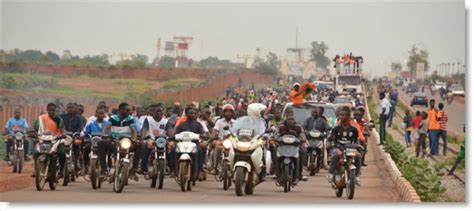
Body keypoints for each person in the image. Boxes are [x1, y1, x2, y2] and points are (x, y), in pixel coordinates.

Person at [103, 102, 141, 179]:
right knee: (101, 143)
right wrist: (103, 134)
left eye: (130, 110)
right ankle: (103, 170)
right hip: (114, 141)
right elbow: (106, 128)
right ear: (120, 110)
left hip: (126, 141)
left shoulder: (130, 119)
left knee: (141, 145)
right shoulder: (113, 118)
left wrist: (134, 139)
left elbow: (133, 130)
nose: (129, 112)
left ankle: (133, 170)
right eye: (127, 110)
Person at [173, 106, 210, 181]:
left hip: (194, 144)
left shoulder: (198, 125)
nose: (192, 114)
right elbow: (175, 133)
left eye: (194, 113)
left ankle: (198, 170)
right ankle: (175, 170)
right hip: (182, 144)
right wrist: (172, 136)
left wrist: (204, 136)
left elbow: (203, 133)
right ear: (186, 114)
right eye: (190, 113)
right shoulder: (182, 124)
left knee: (199, 151)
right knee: (174, 151)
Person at [327, 106, 362, 184]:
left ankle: (356, 176)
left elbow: (356, 141)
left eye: (343, 115)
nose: (341, 117)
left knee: (358, 156)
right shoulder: (336, 129)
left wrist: (358, 146)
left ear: (349, 116)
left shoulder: (354, 130)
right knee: (336, 155)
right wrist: (330, 145)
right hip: (338, 148)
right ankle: (331, 173)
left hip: (350, 149)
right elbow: (330, 139)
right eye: (340, 115)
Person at [276, 115, 308, 183]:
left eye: (292, 119)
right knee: (275, 152)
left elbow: (302, 135)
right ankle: (277, 173)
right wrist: (275, 138)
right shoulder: (281, 127)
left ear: (294, 121)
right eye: (289, 119)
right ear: (286, 120)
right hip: (282, 146)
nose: (290, 121)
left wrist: (302, 139)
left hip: (295, 146)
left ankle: (299, 173)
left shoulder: (298, 127)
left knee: (303, 151)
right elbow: (276, 134)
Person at [37, 103, 67, 177]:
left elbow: (62, 129)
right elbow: (34, 127)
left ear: (55, 110)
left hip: (57, 140)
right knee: (36, 152)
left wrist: (63, 134)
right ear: (47, 110)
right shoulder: (41, 118)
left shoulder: (59, 119)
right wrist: (32, 133)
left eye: (53, 110)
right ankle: (36, 170)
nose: (51, 112)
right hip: (44, 140)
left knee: (62, 153)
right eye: (50, 110)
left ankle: (61, 171)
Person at [140, 106, 168, 174]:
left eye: (160, 111)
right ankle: (143, 167)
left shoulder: (166, 121)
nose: (158, 113)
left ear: (163, 113)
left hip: (162, 140)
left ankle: (170, 166)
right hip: (151, 139)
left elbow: (169, 130)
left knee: (170, 147)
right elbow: (144, 129)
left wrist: (172, 135)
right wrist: (143, 137)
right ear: (153, 112)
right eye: (157, 111)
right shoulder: (148, 119)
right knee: (145, 147)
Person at [82, 108, 109, 176]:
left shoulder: (107, 124)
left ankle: (108, 168)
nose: (101, 114)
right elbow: (86, 132)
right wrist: (85, 136)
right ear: (96, 114)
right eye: (99, 113)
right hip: (93, 142)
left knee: (108, 153)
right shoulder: (91, 123)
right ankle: (85, 166)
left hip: (103, 143)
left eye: (102, 113)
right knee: (86, 148)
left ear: (104, 115)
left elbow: (109, 133)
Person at [209, 104, 235, 173]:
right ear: (223, 113)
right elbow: (215, 130)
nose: (228, 113)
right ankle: (215, 167)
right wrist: (213, 137)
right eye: (226, 111)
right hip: (221, 141)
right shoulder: (219, 121)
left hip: (232, 142)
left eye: (230, 111)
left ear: (232, 113)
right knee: (217, 146)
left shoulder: (235, 122)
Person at [60, 103, 84, 171]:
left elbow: (81, 127)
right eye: (69, 108)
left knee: (77, 145)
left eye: (72, 108)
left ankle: (76, 162)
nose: (70, 109)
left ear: (75, 109)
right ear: (66, 109)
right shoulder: (62, 116)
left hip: (74, 137)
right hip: (64, 137)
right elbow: (59, 125)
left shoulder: (79, 118)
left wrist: (81, 134)